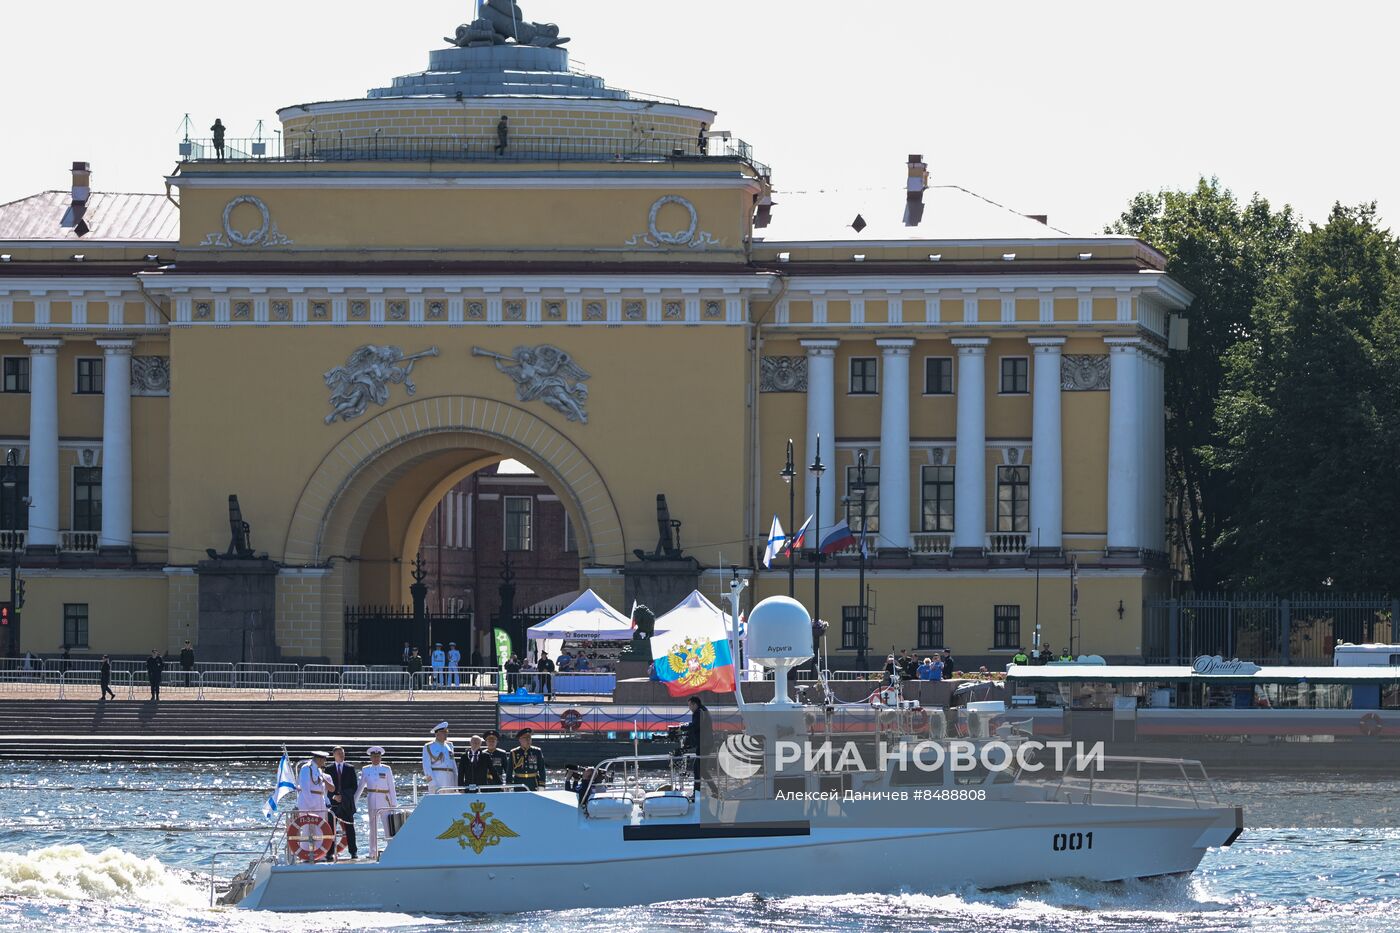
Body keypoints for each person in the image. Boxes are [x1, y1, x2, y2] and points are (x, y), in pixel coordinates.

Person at [356, 746, 398, 858]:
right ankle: (372, 852)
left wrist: (394, 803)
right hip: (372, 799)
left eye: (378, 756)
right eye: (374, 756)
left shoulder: (386, 769)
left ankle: (391, 851)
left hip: (384, 799)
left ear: (380, 757)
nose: (376, 758)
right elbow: (360, 787)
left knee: (387, 827)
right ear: (370, 757)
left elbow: (392, 787)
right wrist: (354, 802)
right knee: (372, 827)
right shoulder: (366, 769)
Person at [296, 751, 335, 862]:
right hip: (308, 801)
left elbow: (322, 788)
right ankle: (305, 855)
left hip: (319, 800)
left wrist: (324, 801)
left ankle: (319, 854)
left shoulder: (318, 770)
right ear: (318, 759)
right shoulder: (306, 768)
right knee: (307, 828)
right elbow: (305, 788)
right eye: (324, 759)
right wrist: (311, 804)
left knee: (319, 828)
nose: (325, 762)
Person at [327, 746, 359, 860]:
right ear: (334, 755)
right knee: (331, 828)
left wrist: (343, 796)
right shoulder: (328, 769)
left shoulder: (350, 768)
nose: (341, 755)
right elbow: (325, 787)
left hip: (346, 804)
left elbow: (354, 786)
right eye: (339, 753)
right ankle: (329, 852)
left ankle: (353, 852)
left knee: (350, 828)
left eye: (343, 753)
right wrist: (334, 796)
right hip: (333, 804)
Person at [682, 696, 718, 796]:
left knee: (699, 769)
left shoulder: (699, 712)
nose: (689, 708)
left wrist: (683, 728)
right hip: (705, 743)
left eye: (690, 705)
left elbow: (696, 726)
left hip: (704, 744)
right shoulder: (703, 711)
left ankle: (700, 792)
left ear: (695, 704)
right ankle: (710, 791)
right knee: (699, 769)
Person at [422, 722, 457, 793]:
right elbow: (426, 767)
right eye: (443, 732)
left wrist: (456, 782)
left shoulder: (449, 745)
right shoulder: (429, 746)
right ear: (437, 734)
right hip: (437, 779)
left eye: (446, 732)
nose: (446, 734)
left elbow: (453, 765)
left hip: (450, 780)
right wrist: (432, 783)